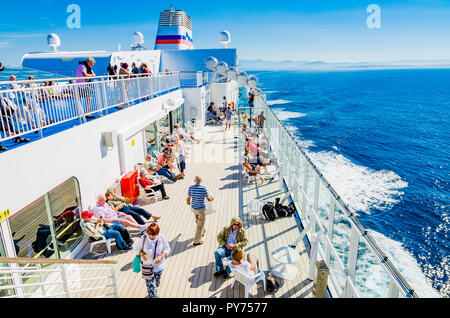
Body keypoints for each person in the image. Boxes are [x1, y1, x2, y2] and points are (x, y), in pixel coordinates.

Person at [136, 223, 170, 298]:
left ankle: (154, 290)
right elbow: (137, 249)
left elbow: (167, 249)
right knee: (151, 286)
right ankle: (153, 295)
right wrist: (143, 254)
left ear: (157, 233)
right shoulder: (143, 238)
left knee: (156, 283)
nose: (151, 236)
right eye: (149, 234)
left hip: (159, 266)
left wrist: (161, 257)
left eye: (153, 234)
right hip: (147, 266)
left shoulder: (162, 237)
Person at [186, 176, 214, 247]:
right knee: (199, 225)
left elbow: (188, 198)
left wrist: (188, 203)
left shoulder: (191, 188)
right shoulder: (203, 188)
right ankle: (196, 241)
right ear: (201, 181)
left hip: (194, 208)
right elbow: (208, 199)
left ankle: (203, 232)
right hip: (201, 209)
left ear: (194, 181)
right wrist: (212, 198)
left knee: (198, 222)